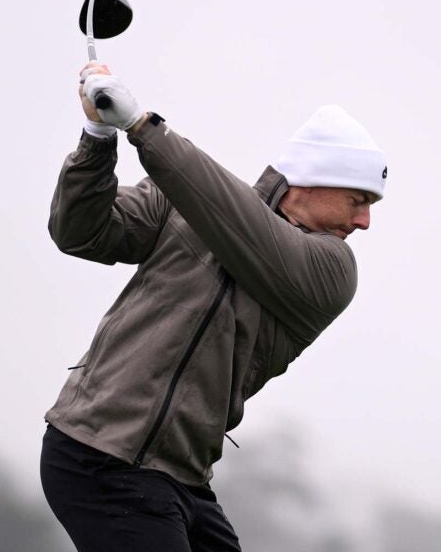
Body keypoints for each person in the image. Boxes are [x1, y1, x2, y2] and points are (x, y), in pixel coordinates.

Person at [40, 62, 387, 552]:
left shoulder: (332, 271)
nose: (366, 221)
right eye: (357, 199)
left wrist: (142, 125)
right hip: (97, 453)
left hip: (179, 476)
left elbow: (240, 224)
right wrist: (97, 136)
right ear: (310, 181)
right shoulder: (184, 203)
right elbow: (80, 232)